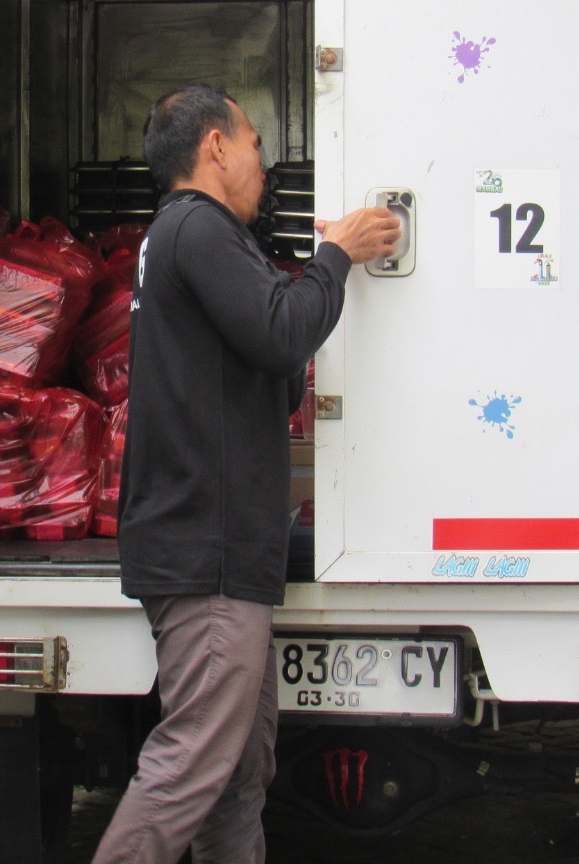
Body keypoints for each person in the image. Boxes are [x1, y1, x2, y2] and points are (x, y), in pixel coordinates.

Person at [92, 83, 401, 864]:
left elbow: (266, 361)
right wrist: (336, 257)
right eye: (256, 144)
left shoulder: (187, 235)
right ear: (215, 147)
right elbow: (282, 332)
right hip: (208, 552)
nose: (264, 165)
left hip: (220, 550)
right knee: (191, 765)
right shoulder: (198, 227)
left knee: (236, 774)